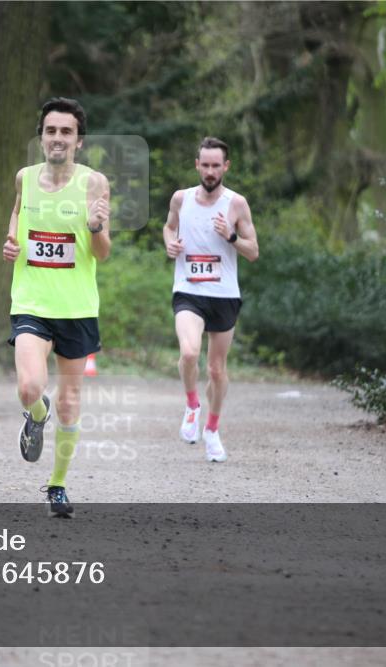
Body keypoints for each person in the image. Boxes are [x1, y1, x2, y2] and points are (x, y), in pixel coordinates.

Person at [2, 97, 111, 516]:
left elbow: (102, 253)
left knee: (69, 401)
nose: (58, 139)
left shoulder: (94, 184)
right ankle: (36, 413)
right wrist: (12, 241)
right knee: (30, 386)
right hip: (31, 299)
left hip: (77, 307)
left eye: (66, 132)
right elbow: (16, 214)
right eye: (51, 131)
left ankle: (58, 485)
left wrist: (96, 226)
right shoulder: (24, 178)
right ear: (42, 136)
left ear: (78, 141)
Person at [163, 137, 259, 462]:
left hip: (224, 295)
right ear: (197, 165)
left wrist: (230, 236)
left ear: (226, 167)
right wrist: (170, 244)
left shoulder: (236, 204)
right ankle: (192, 405)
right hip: (188, 289)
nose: (210, 171)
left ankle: (212, 430)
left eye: (216, 165)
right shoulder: (181, 198)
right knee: (189, 352)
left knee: (217, 370)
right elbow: (168, 227)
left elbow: (253, 251)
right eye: (205, 165)